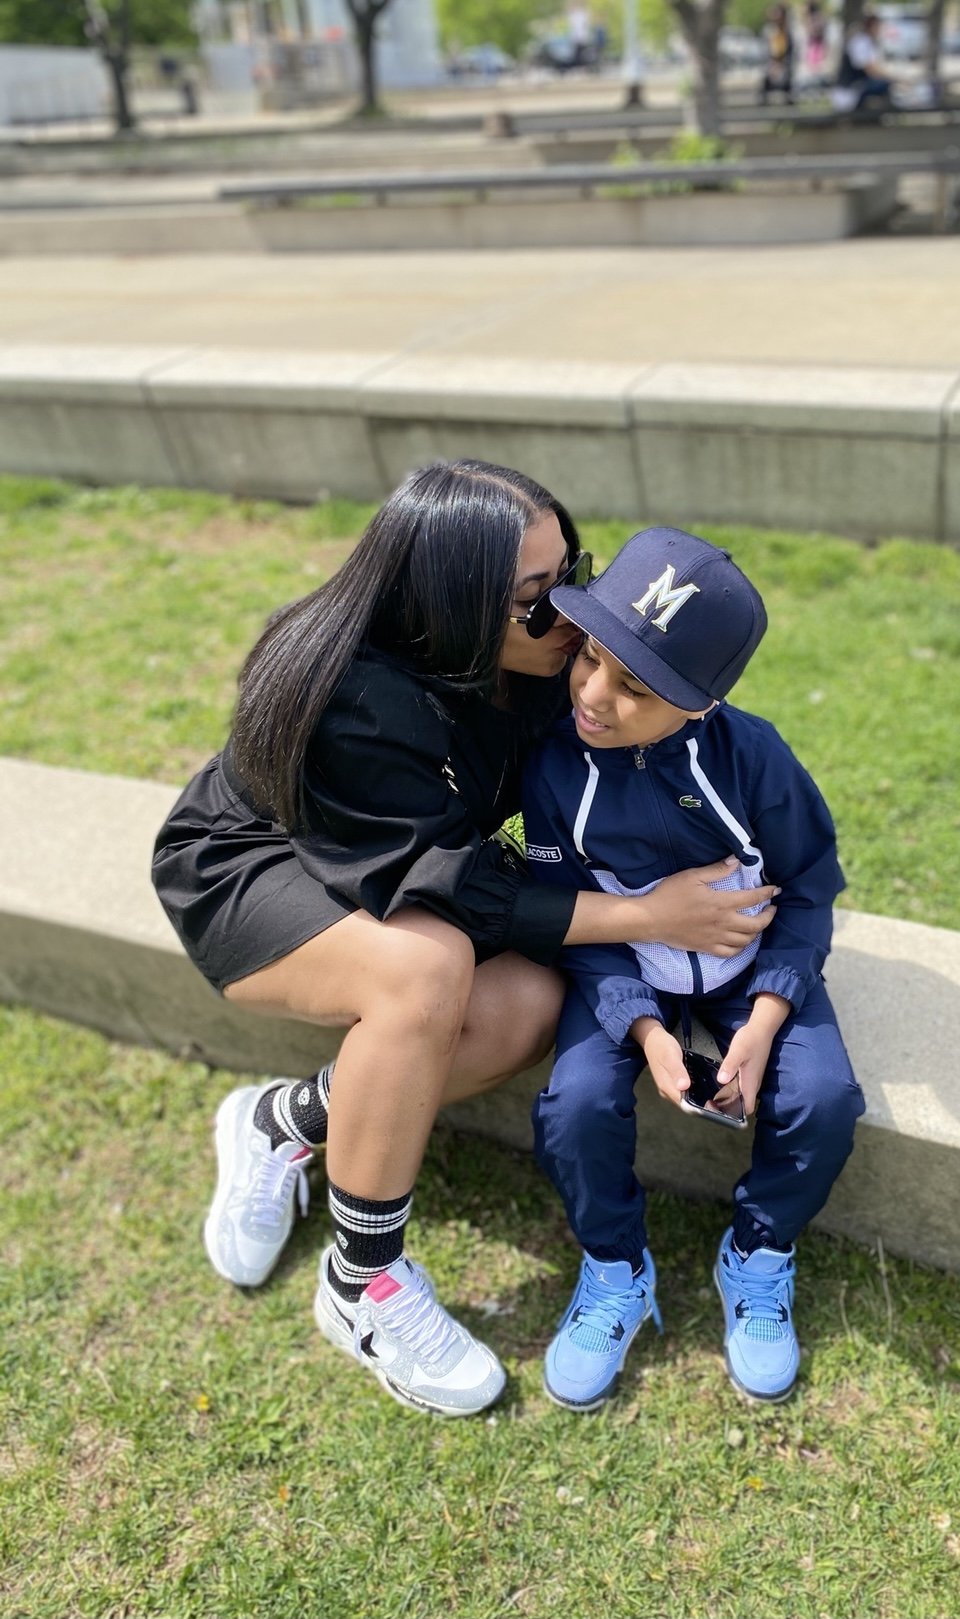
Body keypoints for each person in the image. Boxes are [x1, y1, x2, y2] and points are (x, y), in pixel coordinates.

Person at [151, 464, 778, 1418]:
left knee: (527, 1002)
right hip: (251, 867)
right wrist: (654, 917)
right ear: (445, 605)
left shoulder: (530, 659)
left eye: (573, 573)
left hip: (384, 865)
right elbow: (451, 884)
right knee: (426, 969)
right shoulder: (355, 694)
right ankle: (364, 1282)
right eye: (536, 602)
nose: (572, 615)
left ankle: (288, 1121)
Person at [520, 528, 865, 1408]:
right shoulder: (555, 767)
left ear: (701, 703)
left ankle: (758, 1249)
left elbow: (811, 888)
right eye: (589, 658)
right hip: (623, 967)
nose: (595, 695)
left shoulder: (755, 758)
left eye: (634, 687)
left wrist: (763, 1022)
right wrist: (646, 1030)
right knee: (576, 1104)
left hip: (753, 970)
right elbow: (579, 921)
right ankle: (613, 1265)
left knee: (824, 1097)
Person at [839, 14, 893, 109]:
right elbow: (871, 70)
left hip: (855, 88)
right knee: (884, 85)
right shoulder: (861, 42)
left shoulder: (866, 41)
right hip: (849, 91)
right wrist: (894, 78)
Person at [760, 3, 797, 105]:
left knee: (788, 80)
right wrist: (773, 66)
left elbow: (790, 54)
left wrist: (782, 66)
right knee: (765, 79)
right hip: (771, 67)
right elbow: (766, 54)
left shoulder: (788, 34)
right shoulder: (769, 32)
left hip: (785, 66)